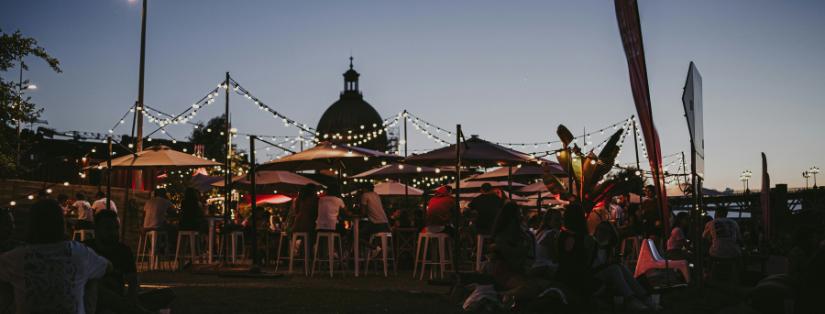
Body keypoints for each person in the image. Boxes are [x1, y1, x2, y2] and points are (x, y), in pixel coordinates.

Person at [0, 199, 110, 314]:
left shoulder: (16, 258)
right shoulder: (79, 252)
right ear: (61, 223)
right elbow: (108, 267)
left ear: (31, 225)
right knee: (92, 278)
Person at [85, 210, 174, 313]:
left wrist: (131, 298)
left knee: (168, 294)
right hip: (94, 301)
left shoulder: (123, 250)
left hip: (121, 300)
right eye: (108, 229)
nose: (113, 233)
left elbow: (133, 281)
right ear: (97, 229)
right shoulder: (85, 250)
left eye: (116, 228)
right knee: (98, 291)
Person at [703, 207, 742, 281]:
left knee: (709, 256)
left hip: (716, 253)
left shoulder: (710, 223)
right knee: (739, 259)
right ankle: (738, 277)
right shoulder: (734, 222)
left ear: (716, 213)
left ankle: (708, 274)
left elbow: (704, 237)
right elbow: (739, 239)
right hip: (733, 253)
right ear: (726, 214)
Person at [531, 209, 562, 278]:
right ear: (549, 221)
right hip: (544, 267)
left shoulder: (541, 232)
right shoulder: (552, 233)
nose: (560, 222)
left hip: (536, 265)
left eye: (561, 219)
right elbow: (554, 257)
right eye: (556, 220)